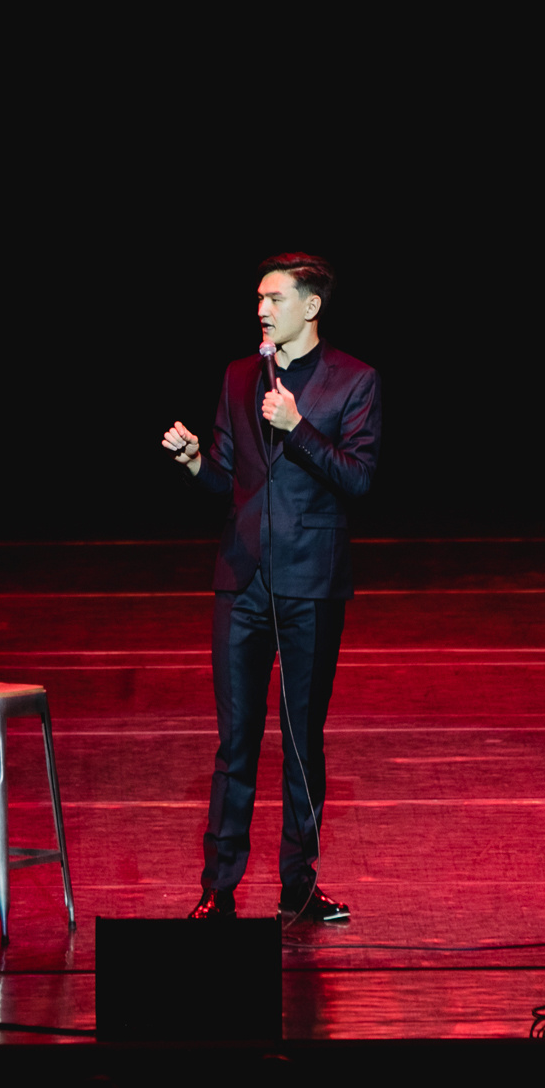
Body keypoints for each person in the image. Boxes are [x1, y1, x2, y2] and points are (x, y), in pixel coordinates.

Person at [160, 253, 381, 925]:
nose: (262, 308)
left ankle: (299, 884)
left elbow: (360, 478)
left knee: (301, 738)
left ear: (310, 307)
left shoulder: (354, 380)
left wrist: (300, 429)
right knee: (235, 740)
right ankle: (217, 886)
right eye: (258, 297)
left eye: (275, 298)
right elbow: (230, 475)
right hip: (244, 577)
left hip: (311, 581)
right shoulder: (238, 376)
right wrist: (196, 461)